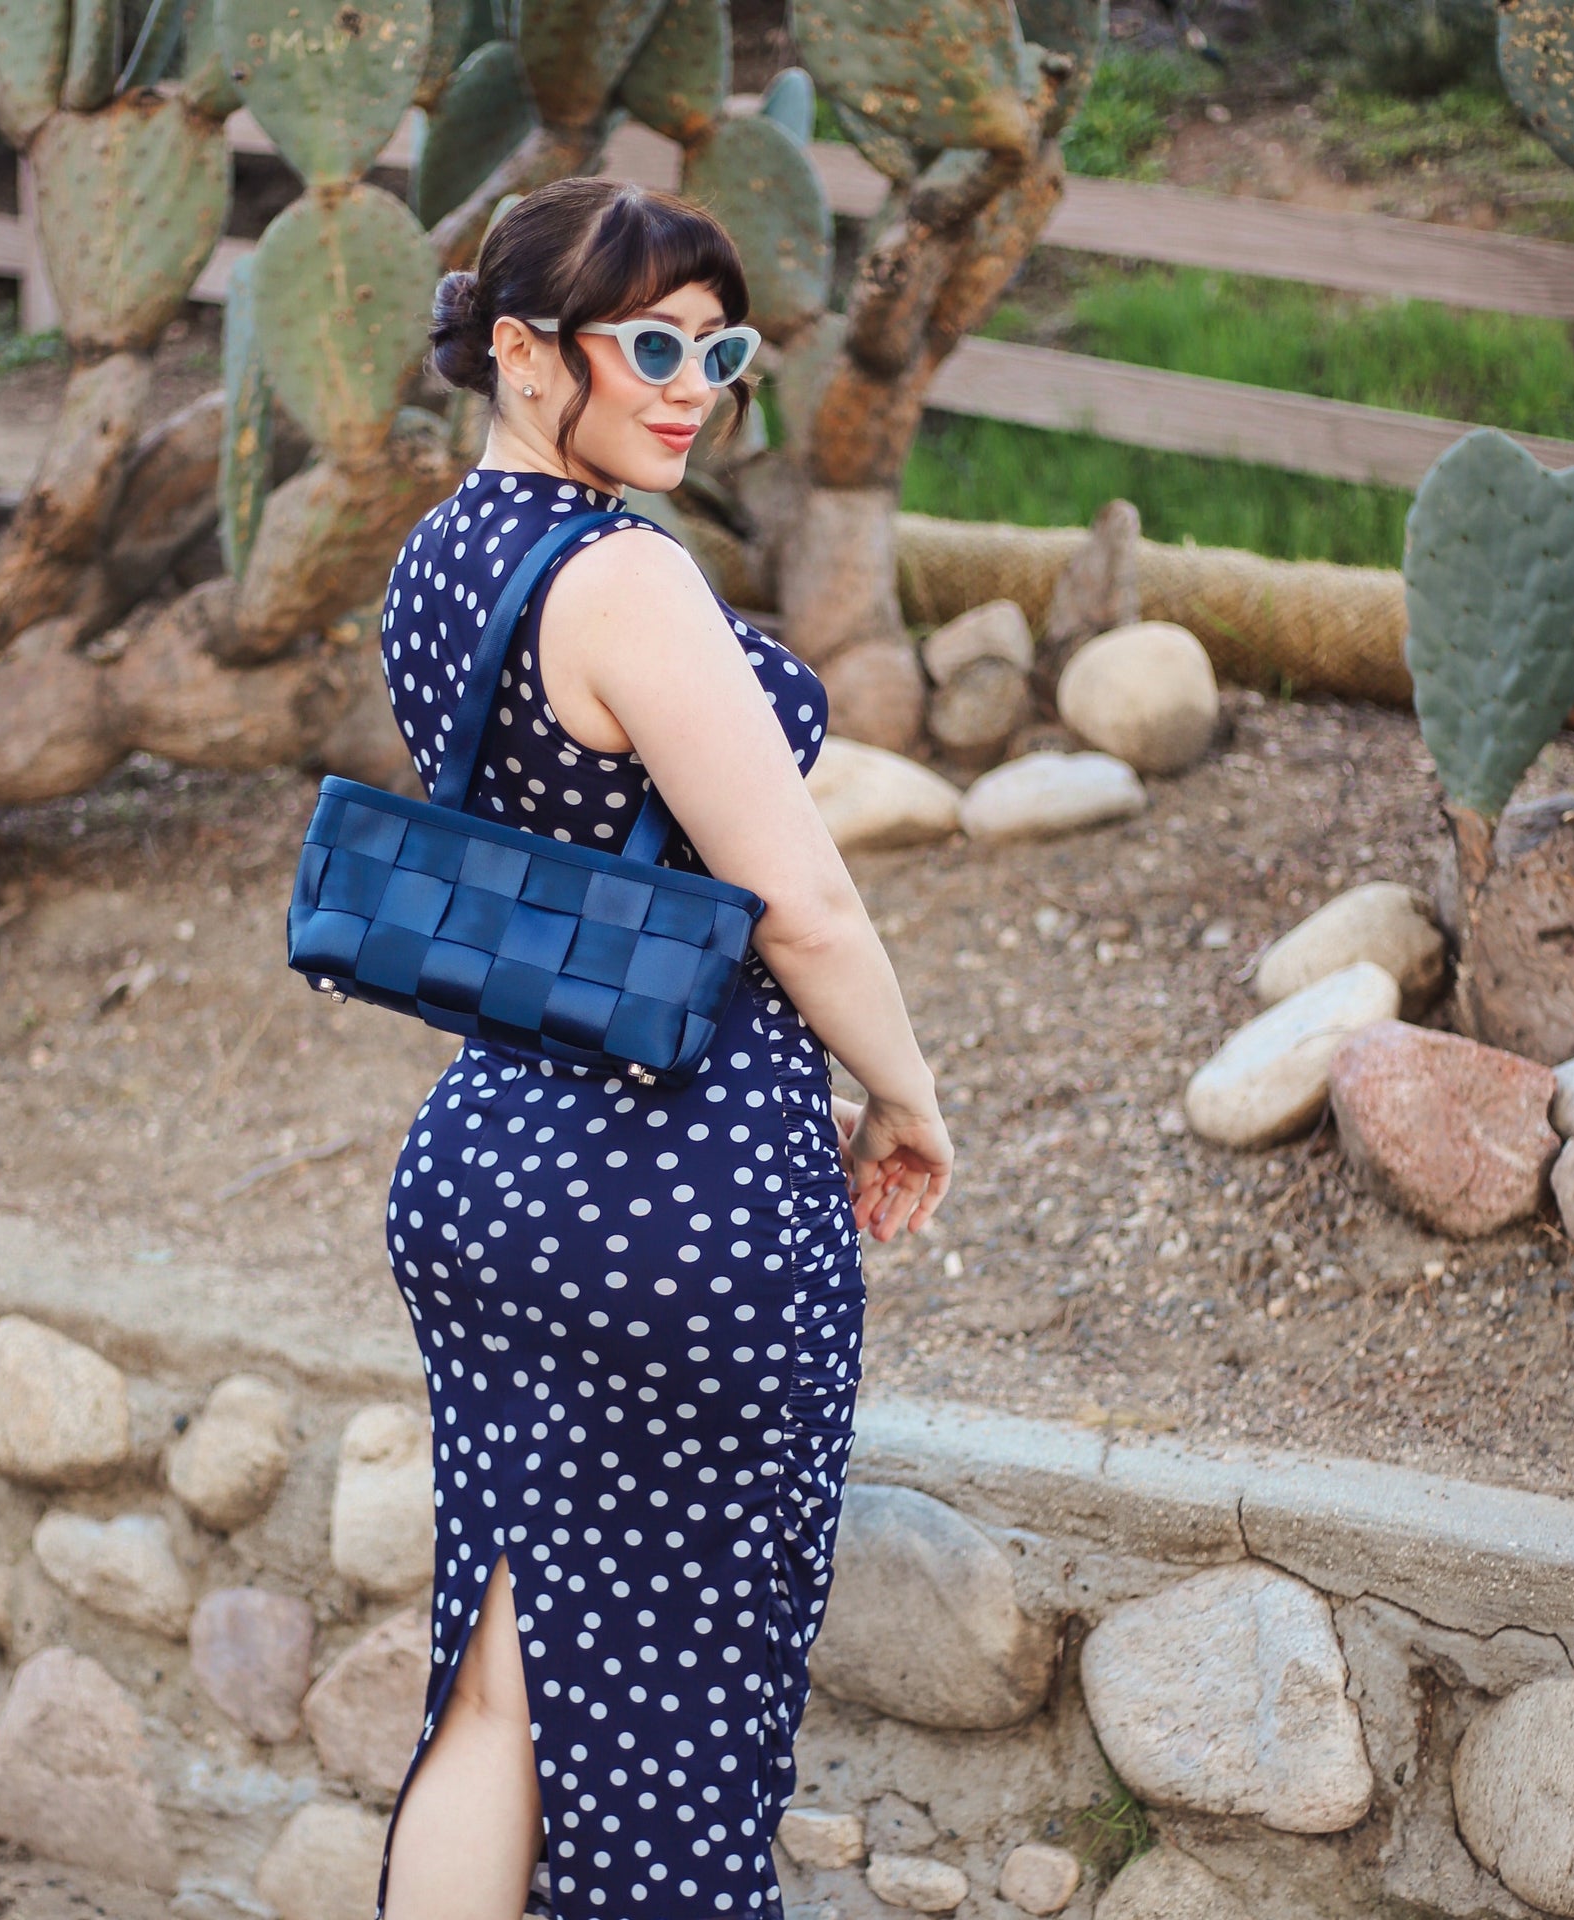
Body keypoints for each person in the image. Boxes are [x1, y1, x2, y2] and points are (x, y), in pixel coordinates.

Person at [375, 175, 953, 1920]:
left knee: (501, 1688)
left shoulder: (443, 555)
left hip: (492, 1169)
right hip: (671, 1194)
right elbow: (803, 912)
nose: (694, 383)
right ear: (525, 350)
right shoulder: (624, 576)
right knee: (673, 1730)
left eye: (723, 348)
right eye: (652, 346)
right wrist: (907, 1095)